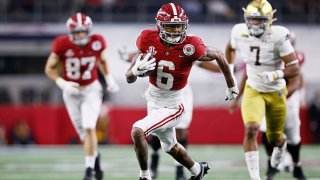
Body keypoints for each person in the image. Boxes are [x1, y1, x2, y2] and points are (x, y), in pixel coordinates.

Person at [125, 3, 238, 180]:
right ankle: (197, 170)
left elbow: (218, 55)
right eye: (171, 26)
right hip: (153, 99)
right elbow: (128, 78)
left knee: (137, 131)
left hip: (173, 104)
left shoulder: (190, 45)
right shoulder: (147, 39)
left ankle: (145, 176)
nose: (176, 30)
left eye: (179, 26)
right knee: (169, 147)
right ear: (160, 26)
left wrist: (231, 85)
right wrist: (134, 71)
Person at [119, 49, 224, 180]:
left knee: (150, 130)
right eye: (169, 27)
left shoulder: (187, 45)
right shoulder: (153, 41)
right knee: (164, 140)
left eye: (176, 28)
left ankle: (157, 174)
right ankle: (195, 169)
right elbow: (140, 54)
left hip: (177, 96)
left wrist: (224, 70)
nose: (173, 32)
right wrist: (134, 66)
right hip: (157, 95)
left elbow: (203, 61)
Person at [225, 0, 300, 179]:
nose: (255, 24)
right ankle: (256, 177)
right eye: (252, 19)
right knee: (251, 129)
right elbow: (229, 47)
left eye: (259, 20)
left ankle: (282, 146)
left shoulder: (279, 35)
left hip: (276, 91)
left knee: (274, 138)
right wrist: (230, 68)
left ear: (269, 20)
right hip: (254, 88)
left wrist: (275, 75)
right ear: (246, 18)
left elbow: (294, 68)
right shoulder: (239, 31)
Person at [44, 12, 119, 180]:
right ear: (70, 32)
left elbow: (103, 60)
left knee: (89, 127)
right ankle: (96, 160)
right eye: (76, 32)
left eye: (83, 31)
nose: (79, 35)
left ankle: (88, 171)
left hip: (91, 89)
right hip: (71, 92)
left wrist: (109, 78)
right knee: (84, 135)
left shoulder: (97, 41)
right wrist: (62, 83)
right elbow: (49, 68)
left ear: (89, 30)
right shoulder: (61, 44)